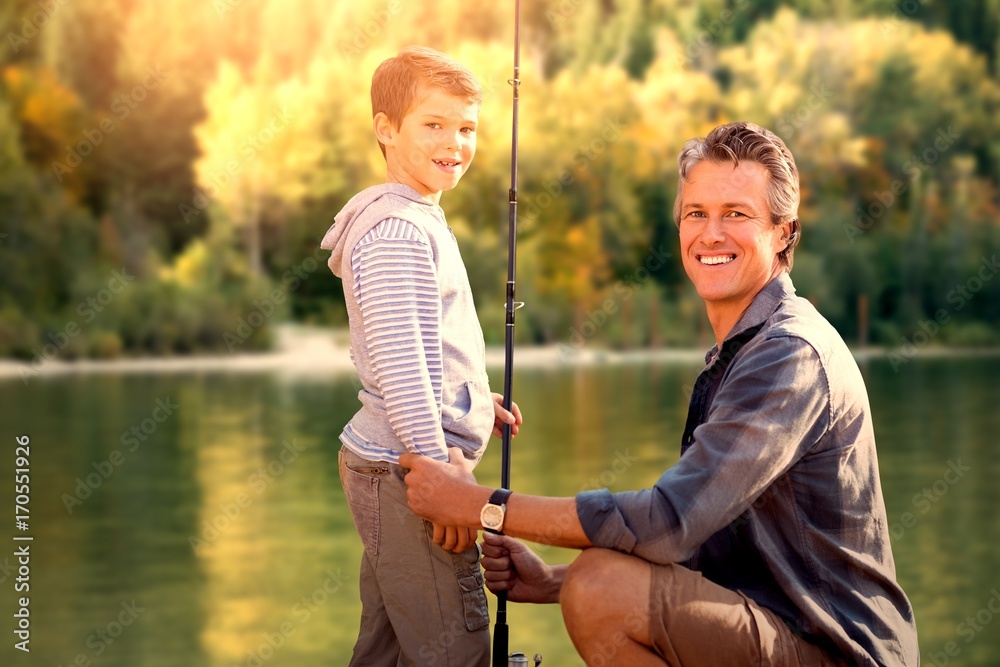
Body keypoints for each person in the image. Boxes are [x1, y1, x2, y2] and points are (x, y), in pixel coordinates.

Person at [401, 122, 919, 666]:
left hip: (840, 653)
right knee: (592, 577)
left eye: (736, 214)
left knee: (601, 588)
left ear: (784, 231)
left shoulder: (789, 356)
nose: (711, 233)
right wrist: (552, 580)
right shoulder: (744, 351)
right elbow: (703, 538)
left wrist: (478, 505)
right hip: (779, 628)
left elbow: (668, 524)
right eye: (696, 213)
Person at [320, 45, 522, 666]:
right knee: (454, 650)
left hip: (391, 462)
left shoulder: (412, 216)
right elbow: (404, 376)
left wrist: (471, 402)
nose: (454, 143)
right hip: (409, 475)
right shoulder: (398, 232)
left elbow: (412, 350)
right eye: (433, 124)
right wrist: (442, 481)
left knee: (386, 649)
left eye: (466, 128)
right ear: (386, 129)